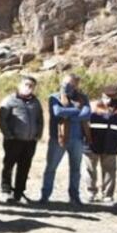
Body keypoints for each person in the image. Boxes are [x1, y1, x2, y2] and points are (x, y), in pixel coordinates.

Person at [39, 73, 91, 205]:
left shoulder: (83, 98)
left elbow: (87, 114)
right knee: (51, 167)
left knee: (75, 169)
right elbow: (58, 112)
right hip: (59, 138)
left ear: (76, 84)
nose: (66, 86)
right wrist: (77, 111)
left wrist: (70, 113)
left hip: (78, 139)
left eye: (70, 83)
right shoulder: (54, 97)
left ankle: (74, 196)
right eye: (64, 82)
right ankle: (45, 195)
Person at [0, 75, 45, 203]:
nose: (28, 87)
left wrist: (38, 134)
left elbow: (40, 119)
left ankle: (19, 193)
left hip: (30, 141)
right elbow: (1, 118)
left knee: (24, 167)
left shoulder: (36, 102)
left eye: (31, 86)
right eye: (26, 84)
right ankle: (6, 190)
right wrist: (8, 134)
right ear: (20, 85)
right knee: (8, 165)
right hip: (13, 140)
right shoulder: (10, 100)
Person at [83, 84, 117, 205]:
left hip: (111, 146)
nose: (109, 99)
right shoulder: (93, 105)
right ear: (102, 94)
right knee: (90, 170)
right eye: (107, 96)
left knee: (110, 171)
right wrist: (85, 139)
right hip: (91, 144)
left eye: (112, 96)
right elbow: (83, 124)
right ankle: (91, 193)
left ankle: (108, 195)